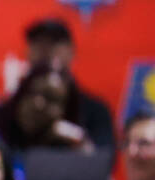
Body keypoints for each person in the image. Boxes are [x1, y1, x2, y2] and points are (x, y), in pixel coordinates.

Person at [23, 18, 115, 151]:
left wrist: (77, 139)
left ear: (71, 51)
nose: (45, 51)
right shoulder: (10, 110)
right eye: (38, 43)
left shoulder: (96, 110)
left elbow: (104, 158)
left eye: (54, 43)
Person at [0, 61, 94, 153]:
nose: (37, 104)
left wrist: (80, 145)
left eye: (50, 97)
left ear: (66, 110)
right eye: (31, 92)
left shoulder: (72, 145)